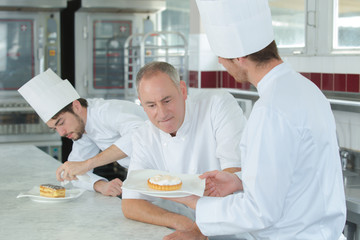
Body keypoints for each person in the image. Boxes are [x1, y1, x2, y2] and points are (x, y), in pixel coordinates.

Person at [163, 0, 347, 239]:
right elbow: (292, 173)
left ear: (239, 57)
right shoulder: (306, 89)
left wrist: (194, 202)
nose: (220, 62)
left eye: (222, 56)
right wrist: (238, 181)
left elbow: (259, 212)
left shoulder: (270, 110)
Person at [121, 61, 247, 238]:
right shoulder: (144, 136)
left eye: (167, 100)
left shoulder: (217, 105)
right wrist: (183, 223)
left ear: (183, 90)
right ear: (141, 104)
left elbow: (234, 175)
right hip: (186, 228)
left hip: (233, 229)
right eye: (151, 105)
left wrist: (199, 229)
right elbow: (130, 203)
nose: (162, 113)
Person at [18, 69, 147, 196]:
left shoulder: (106, 111)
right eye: (55, 128)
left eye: (61, 123)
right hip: (144, 178)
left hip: (164, 172)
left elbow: (138, 136)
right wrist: (100, 185)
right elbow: (74, 172)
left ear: (76, 107)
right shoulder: (82, 130)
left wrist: (87, 164)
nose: (61, 133)